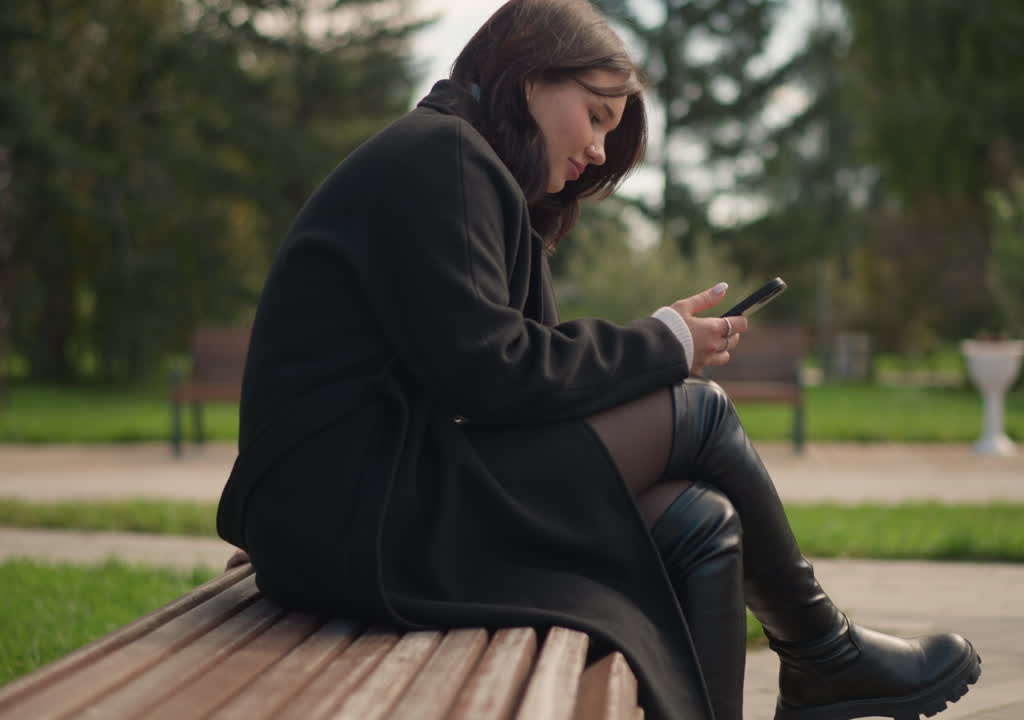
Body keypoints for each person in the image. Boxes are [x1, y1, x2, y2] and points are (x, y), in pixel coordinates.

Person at [215, 1, 981, 718]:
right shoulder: (441, 156)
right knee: (703, 415)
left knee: (699, 523)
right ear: (531, 78)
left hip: (363, 505)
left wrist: (660, 345)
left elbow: (522, 381)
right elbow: (495, 375)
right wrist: (663, 346)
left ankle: (816, 662)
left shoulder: (459, 163)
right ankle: (824, 651)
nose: (598, 150)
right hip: (353, 514)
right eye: (596, 116)